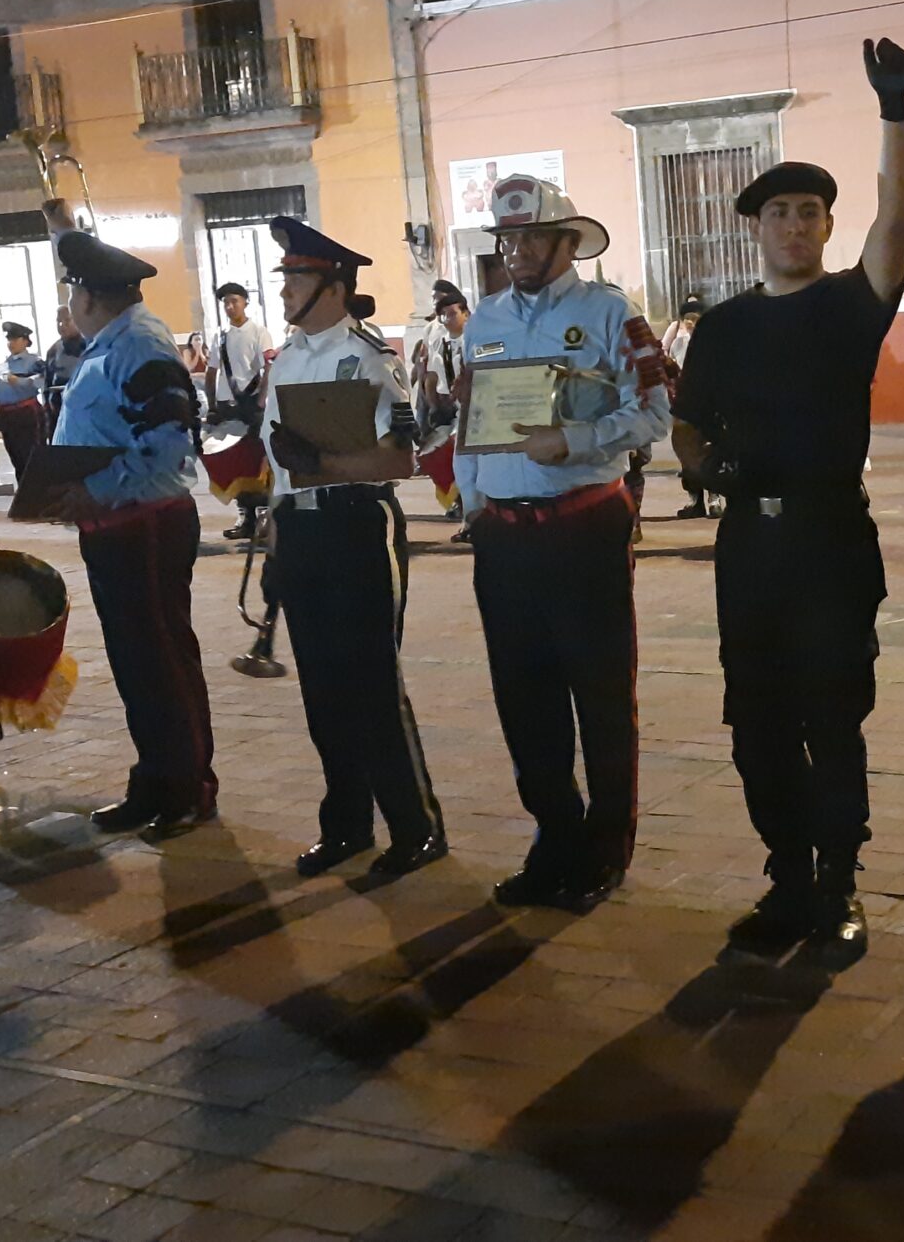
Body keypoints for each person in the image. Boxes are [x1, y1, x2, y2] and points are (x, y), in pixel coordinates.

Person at [670, 37, 904, 958]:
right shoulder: (725, 327)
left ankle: (840, 884)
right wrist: (703, 470)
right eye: (781, 212)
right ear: (758, 226)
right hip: (751, 550)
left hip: (829, 544)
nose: (797, 226)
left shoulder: (852, 305)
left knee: (832, 717)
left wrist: (893, 112)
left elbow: (895, 218)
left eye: (812, 212)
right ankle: (787, 873)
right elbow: (688, 423)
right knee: (758, 722)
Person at [453, 174, 672, 911]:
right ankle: (554, 835)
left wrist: (576, 440)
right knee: (523, 695)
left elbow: (656, 408)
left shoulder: (610, 313)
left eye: (527, 238)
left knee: (601, 692)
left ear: (566, 242)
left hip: (583, 525)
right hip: (505, 537)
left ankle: (606, 847)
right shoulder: (482, 320)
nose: (513, 251)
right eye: (505, 240)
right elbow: (467, 418)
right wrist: (474, 503)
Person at [258, 218, 449, 880]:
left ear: (333, 288)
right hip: (302, 529)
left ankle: (415, 826)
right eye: (285, 279)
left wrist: (324, 466)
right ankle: (347, 823)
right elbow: (279, 463)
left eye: (298, 280)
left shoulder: (370, 359)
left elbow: (400, 460)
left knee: (370, 685)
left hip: (356, 525)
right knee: (321, 688)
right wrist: (277, 527)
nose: (284, 291)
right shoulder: (286, 358)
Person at [50, 219, 218, 835]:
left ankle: (188, 788)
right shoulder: (112, 342)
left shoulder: (139, 346)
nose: (70, 305)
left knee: (162, 660)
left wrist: (92, 489)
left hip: (144, 526)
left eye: (71, 294)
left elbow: (171, 445)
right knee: (135, 661)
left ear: (89, 296)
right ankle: (155, 779)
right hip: (114, 527)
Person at [206, 281, 274, 541]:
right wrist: (212, 404)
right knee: (233, 460)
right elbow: (212, 371)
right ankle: (244, 514)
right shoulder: (220, 336)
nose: (230, 306)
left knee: (256, 459)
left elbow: (269, 367)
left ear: (246, 302)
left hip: (251, 404)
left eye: (235, 300)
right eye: (226, 302)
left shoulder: (258, 332)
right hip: (227, 406)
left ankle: (263, 514)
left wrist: (262, 398)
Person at [412, 280, 470, 521]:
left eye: (452, 313)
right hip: (451, 408)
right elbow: (432, 376)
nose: (447, 319)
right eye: (443, 315)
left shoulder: (476, 340)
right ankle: (459, 503)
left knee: (465, 460)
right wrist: (434, 405)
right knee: (438, 456)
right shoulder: (440, 342)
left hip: (476, 409)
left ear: (465, 313)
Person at [661, 295, 712, 519]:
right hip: (685, 405)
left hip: (707, 405)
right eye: (687, 318)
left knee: (709, 451)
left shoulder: (713, 340)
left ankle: (715, 497)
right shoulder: (680, 342)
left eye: (695, 317)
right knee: (688, 455)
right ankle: (697, 500)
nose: (691, 322)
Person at [0, 320, 49, 480]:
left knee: (31, 458)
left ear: (25, 340)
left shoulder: (34, 362)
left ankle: (37, 495)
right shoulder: (2, 366)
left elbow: (42, 381)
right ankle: (23, 494)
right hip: (7, 416)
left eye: (15, 339)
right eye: (9, 340)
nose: (11, 343)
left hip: (26, 415)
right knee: (16, 459)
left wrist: (20, 382)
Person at [42, 305, 85, 429]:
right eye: (58, 321)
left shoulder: (90, 347)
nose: (62, 325)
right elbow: (47, 386)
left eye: (67, 320)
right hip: (58, 414)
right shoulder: (53, 351)